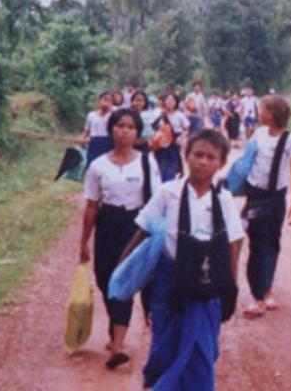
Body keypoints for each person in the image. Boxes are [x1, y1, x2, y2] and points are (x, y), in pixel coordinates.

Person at [122, 129, 245, 390]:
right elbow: (144, 229)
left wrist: (230, 286)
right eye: (197, 155)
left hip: (206, 281)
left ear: (222, 163)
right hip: (169, 279)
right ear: (186, 155)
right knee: (165, 338)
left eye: (211, 157)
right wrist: (125, 266)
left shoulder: (223, 200)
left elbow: (233, 244)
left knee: (201, 345)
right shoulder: (168, 193)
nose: (203, 162)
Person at [80, 109, 162, 370]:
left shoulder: (147, 163)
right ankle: (115, 330)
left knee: (124, 278)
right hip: (108, 224)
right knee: (105, 279)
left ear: (137, 132)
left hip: (137, 226)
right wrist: (84, 242)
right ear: (111, 129)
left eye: (130, 127)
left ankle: (117, 345)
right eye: (120, 126)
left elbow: (158, 202)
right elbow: (92, 206)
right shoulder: (98, 166)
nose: (124, 131)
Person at [241, 95, 291, 318]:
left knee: (272, 242)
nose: (259, 113)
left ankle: (266, 289)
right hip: (255, 195)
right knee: (256, 243)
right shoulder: (258, 134)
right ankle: (258, 295)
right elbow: (245, 162)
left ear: (273, 114)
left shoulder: (290, 140)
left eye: (263, 109)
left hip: (276, 197)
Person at [152, 92, 191, 182]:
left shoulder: (179, 115)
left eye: (172, 100)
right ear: (164, 101)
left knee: (172, 166)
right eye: (168, 99)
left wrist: (181, 137)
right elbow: (153, 127)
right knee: (161, 166)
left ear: (176, 102)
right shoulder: (158, 113)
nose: (170, 102)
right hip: (161, 143)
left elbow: (187, 128)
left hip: (174, 143)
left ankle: (169, 182)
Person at [82, 91, 115, 166]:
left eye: (110, 101)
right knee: (92, 163)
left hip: (107, 141)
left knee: (106, 164)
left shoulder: (113, 115)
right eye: (105, 99)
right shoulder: (91, 115)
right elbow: (87, 130)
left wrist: (112, 112)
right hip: (94, 141)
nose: (107, 102)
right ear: (99, 101)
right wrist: (82, 141)